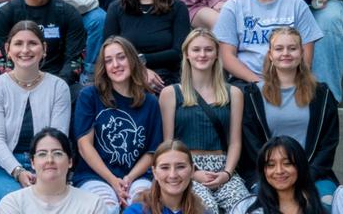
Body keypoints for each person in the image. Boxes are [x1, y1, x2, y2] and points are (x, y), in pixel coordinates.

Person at [240, 28, 340, 209]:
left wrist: (304, 175)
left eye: (292, 48)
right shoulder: (253, 95)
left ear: (302, 53)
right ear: (270, 55)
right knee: (265, 207)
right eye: (279, 49)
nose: (285, 53)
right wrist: (274, 171)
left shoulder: (321, 94)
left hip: (314, 174)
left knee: (326, 205)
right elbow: (252, 143)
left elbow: (329, 142)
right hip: (269, 174)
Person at [0, 24, 75, 208]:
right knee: (17, 203)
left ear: (44, 49)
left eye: (32, 43)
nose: (25, 50)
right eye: (18, 44)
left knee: (47, 203)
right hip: (4, 170)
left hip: (49, 165)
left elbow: (57, 139)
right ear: (8, 50)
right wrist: (18, 171)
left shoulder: (58, 87)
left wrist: (41, 172)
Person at [71, 37, 164, 213]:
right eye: (108, 60)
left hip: (137, 176)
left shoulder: (150, 102)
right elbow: (84, 146)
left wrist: (128, 179)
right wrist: (113, 180)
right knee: (108, 207)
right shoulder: (90, 96)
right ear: (103, 67)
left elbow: (152, 152)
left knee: (141, 207)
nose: (116, 64)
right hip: (95, 176)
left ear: (132, 60)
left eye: (121, 57)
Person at [158, 29, 246, 213]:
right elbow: (168, 143)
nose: (202, 54)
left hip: (223, 167)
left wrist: (227, 173)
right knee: (207, 208)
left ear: (216, 54)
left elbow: (235, 142)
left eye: (208, 49)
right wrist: (192, 172)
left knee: (245, 207)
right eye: (196, 50)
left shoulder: (233, 93)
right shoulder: (171, 93)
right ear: (187, 55)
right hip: (187, 169)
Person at [215, 0, 322, 87]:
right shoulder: (233, 7)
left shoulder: (297, 5)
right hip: (247, 83)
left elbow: (306, 56)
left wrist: (288, 83)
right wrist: (258, 83)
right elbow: (226, 56)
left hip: (290, 80)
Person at [103, 0, 189, 89]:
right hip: (125, 76)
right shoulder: (116, 8)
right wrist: (139, 70)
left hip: (167, 79)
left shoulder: (178, 8)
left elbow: (179, 53)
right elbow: (108, 51)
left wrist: (142, 59)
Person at [0, 127, 103, 214]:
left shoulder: (92, 205)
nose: (50, 160)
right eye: (42, 154)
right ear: (32, 162)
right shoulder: (13, 204)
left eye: (57, 153)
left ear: (70, 161)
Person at [230, 137, 328, 214]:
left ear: (300, 166)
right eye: (271, 165)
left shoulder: (316, 209)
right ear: (263, 170)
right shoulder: (244, 209)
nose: (279, 171)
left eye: (287, 163)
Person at [120, 141, 208, 214]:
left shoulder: (202, 211)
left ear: (192, 170)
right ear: (154, 172)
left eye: (180, 167)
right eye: (165, 167)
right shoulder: (137, 211)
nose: (173, 175)